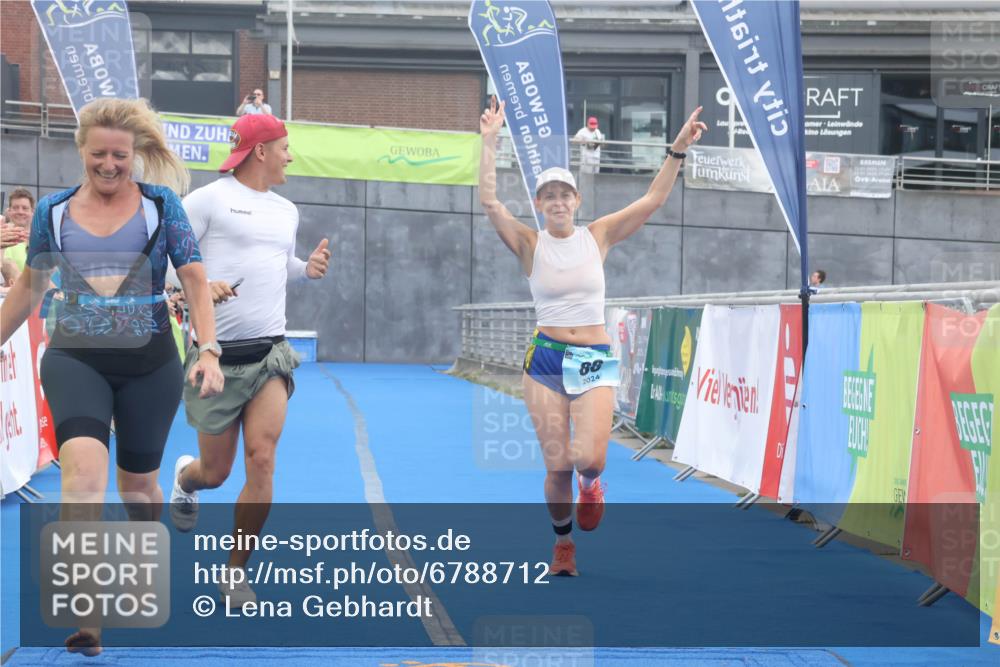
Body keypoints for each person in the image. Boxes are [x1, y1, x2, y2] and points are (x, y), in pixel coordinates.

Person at [0, 97, 225, 656]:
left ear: (135, 155)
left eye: (120, 155)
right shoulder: (53, 212)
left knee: (138, 489)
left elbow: (195, 282)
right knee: (81, 478)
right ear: (81, 151)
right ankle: (88, 611)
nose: (109, 165)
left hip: (150, 362)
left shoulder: (160, 205)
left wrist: (210, 351)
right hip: (75, 357)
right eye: (98, 154)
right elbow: (29, 288)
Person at [479, 97, 705, 576]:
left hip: (591, 357)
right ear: (539, 205)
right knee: (558, 466)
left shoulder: (597, 235)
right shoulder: (529, 242)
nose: (558, 202)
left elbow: (651, 201)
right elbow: (489, 202)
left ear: (577, 201)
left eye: (566, 195)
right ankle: (563, 547)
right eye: (549, 196)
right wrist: (489, 141)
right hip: (544, 360)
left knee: (590, 460)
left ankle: (593, 487)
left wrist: (677, 150)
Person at [168, 113, 331, 607]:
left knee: (262, 458)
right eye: (285, 146)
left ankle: (235, 571)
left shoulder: (286, 210)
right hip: (215, 358)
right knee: (215, 473)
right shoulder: (207, 200)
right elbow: (167, 265)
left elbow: (279, 266)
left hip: (270, 354)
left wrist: (308, 269)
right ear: (260, 151)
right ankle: (185, 478)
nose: (291, 155)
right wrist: (192, 287)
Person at [1, 188, 35, 285]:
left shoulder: (41, 240)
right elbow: (7, 269)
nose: (20, 212)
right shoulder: (3, 237)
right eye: (15, 208)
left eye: (25, 208)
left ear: (32, 212)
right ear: (9, 211)